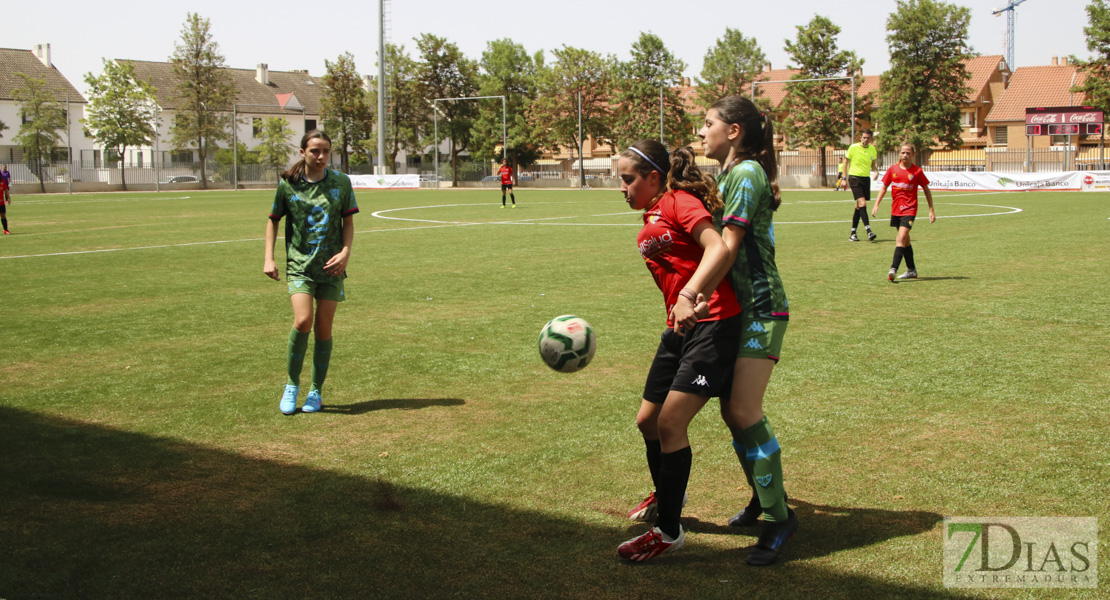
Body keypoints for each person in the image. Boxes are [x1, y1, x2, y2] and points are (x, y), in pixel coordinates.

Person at [617, 140, 741, 562]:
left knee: (670, 422)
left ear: (654, 177)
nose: (622, 187)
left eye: (628, 178)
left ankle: (669, 532)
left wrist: (692, 293)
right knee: (648, 421)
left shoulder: (678, 201)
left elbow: (719, 247)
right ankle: (667, 496)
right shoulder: (654, 211)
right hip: (680, 328)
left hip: (714, 325)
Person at [699, 95, 798, 566]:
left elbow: (731, 247)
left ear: (733, 131)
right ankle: (764, 498)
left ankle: (779, 519)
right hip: (740, 309)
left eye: (708, 124)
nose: (701, 132)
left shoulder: (744, 174)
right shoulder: (731, 174)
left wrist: (695, 292)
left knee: (743, 410)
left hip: (762, 308)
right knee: (730, 412)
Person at [263, 130, 358, 415]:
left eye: (326, 151)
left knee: (324, 329)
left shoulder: (341, 182)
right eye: (315, 151)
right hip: (300, 266)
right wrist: (269, 258)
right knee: (303, 320)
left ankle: (315, 391)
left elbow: (348, 223)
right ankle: (291, 385)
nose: (321, 157)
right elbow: (273, 221)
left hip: (332, 268)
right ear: (302, 151)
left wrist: (345, 252)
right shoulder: (288, 184)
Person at [871, 142, 935, 281]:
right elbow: (884, 187)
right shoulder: (892, 169)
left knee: (900, 239)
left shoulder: (917, 171)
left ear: (913, 155)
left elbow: (926, 190)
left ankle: (893, 269)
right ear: (899, 153)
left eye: (908, 153)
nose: (905, 155)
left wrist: (931, 210)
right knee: (905, 241)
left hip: (910, 209)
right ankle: (911, 270)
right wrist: (877, 204)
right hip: (896, 210)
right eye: (903, 152)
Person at [840, 130, 879, 242]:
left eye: (868, 138)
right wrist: (843, 178)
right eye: (864, 137)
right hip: (854, 178)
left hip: (865, 179)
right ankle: (869, 231)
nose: (866, 140)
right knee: (863, 203)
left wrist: (876, 171)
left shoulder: (872, 149)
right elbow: (846, 162)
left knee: (858, 207)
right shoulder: (853, 147)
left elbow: (873, 165)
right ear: (860, 137)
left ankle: (853, 233)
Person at [0, 165, 9, 234]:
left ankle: (5, 230)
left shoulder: (2, 181)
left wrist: (8, 198)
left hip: (1, 203)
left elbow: (6, 190)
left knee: (3, 216)